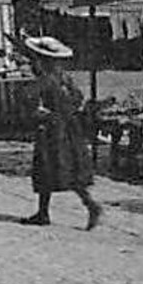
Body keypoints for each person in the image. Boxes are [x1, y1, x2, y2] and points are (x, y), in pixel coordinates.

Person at [18, 35, 101, 230]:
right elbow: (78, 98)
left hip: (51, 130)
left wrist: (41, 112)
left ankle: (90, 205)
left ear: (42, 60)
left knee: (49, 167)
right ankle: (44, 212)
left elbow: (27, 96)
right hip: (69, 128)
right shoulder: (64, 77)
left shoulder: (46, 79)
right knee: (66, 168)